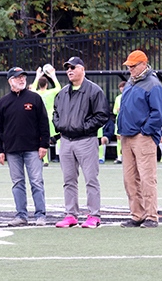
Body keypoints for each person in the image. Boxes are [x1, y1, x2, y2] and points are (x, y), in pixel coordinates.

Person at [52, 56, 109, 228]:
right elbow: (55, 113)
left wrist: (83, 127)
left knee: (91, 179)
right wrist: (59, 125)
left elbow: (102, 115)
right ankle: (71, 215)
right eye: (67, 68)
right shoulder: (62, 93)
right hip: (66, 141)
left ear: (82, 69)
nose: (69, 70)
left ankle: (94, 215)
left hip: (86, 140)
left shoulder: (94, 91)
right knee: (68, 179)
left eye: (73, 67)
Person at [0, 67, 49, 227]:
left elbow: (44, 122)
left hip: (33, 148)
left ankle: (40, 215)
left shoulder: (35, 98)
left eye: (23, 77)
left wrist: (44, 145)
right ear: (10, 80)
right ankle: (21, 215)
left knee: (37, 182)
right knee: (17, 183)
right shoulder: (3, 102)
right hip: (12, 150)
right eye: (18, 77)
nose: (21, 79)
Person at [117, 50, 162, 228]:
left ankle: (151, 216)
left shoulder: (153, 84)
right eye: (128, 66)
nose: (129, 68)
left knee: (147, 178)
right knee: (129, 178)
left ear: (143, 64)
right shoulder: (131, 81)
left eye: (133, 65)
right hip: (126, 135)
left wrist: (145, 131)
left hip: (142, 137)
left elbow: (158, 114)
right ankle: (137, 215)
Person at [30, 64, 61, 166]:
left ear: (39, 85)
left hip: (40, 119)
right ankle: (61, 156)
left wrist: (37, 76)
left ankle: (46, 160)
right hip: (51, 117)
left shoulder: (36, 93)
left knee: (43, 139)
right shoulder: (51, 92)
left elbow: (32, 88)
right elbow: (58, 87)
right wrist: (53, 75)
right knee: (58, 137)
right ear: (46, 84)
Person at [112, 81, 125, 164]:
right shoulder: (118, 98)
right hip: (119, 121)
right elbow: (114, 111)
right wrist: (116, 110)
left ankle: (127, 157)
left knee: (127, 139)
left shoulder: (130, 96)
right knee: (119, 139)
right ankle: (119, 157)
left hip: (127, 121)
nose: (121, 88)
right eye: (120, 87)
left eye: (123, 86)